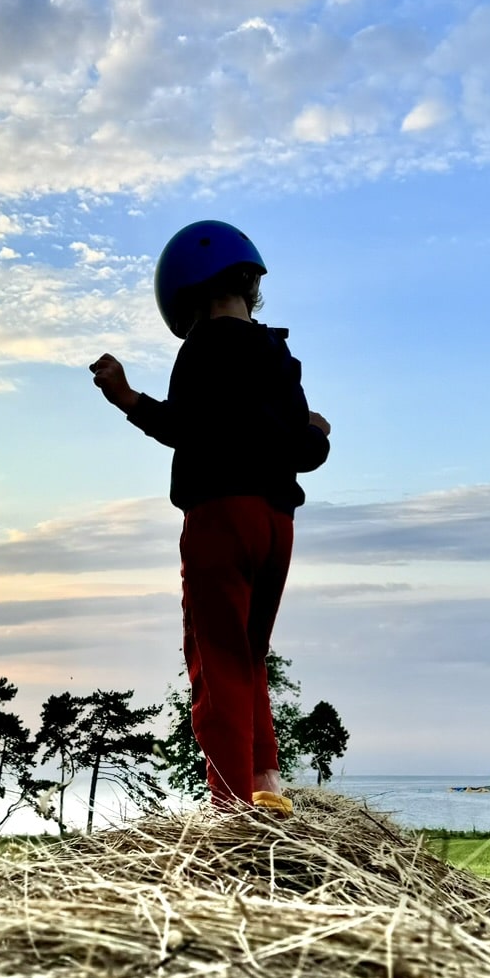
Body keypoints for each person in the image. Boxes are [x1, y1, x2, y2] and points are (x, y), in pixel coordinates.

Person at [90, 221, 331, 814]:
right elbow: (306, 452)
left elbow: (183, 428)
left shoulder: (201, 349)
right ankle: (265, 783)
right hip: (278, 525)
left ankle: (230, 806)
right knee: (250, 655)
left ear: (182, 297)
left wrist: (126, 398)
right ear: (251, 284)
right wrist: (316, 433)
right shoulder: (280, 355)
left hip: (221, 515)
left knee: (215, 656)